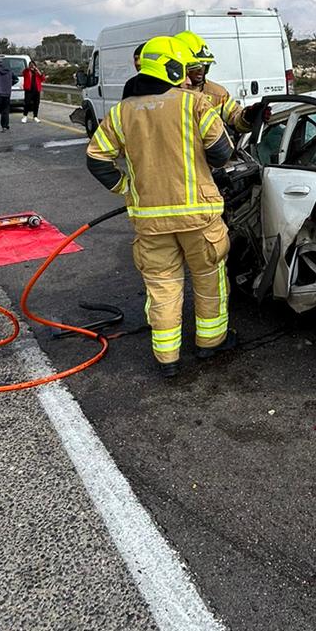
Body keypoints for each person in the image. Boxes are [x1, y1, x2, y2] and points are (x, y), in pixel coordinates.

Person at [85, 35, 234, 381]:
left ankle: (167, 358)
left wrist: (127, 187)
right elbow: (222, 152)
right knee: (209, 280)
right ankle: (210, 342)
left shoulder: (122, 111)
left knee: (163, 286)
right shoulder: (193, 104)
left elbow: (97, 159)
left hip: (150, 221)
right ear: (173, 67)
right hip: (199, 217)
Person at [121, 31, 256, 134]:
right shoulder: (155, 91)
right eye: (195, 67)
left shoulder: (217, 93)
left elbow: (236, 121)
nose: (200, 71)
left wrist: (249, 116)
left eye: (204, 66)